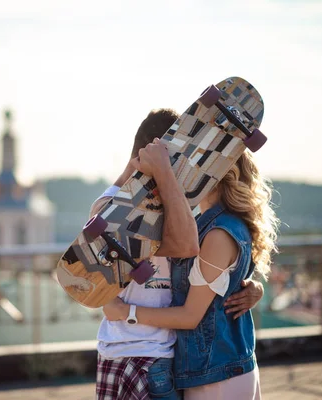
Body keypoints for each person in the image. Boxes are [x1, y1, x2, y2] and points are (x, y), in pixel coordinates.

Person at [93, 108, 267, 400]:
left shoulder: (189, 218)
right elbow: (100, 221)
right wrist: (138, 168)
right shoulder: (119, 208)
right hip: (140, 354)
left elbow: (194, 252)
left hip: (162, 359)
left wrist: (252, 288)